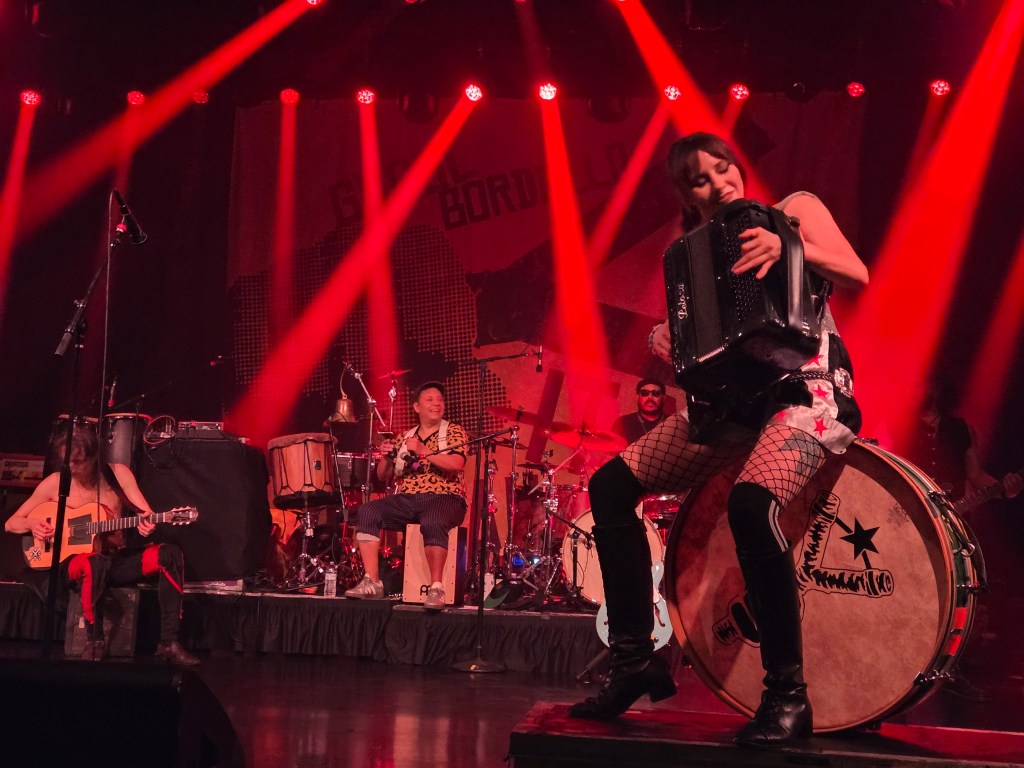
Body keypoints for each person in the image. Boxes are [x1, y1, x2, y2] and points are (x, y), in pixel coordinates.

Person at [568, 132, 869, 748]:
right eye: (702, 180)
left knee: (750, 506)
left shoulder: (795, 209)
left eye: (724, 169)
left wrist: (788, 242)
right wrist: (667, 339)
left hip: (807, 391)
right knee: (610, 483)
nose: (720, 184)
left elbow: (856, 271)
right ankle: (633, 661)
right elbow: (704, 352)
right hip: (735, 409)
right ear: (689, 195)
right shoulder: (693, 256)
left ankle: (788, 696)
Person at [4, 426, 198, 664]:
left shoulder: (118, 475)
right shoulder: (56, 482)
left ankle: (169, 642)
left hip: (113, 558)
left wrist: (148, 523)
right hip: (74, 564)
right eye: (68, 462)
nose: (72, 468)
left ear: (94, 457)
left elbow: (144, 512)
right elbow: (11, 524)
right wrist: (33, 523)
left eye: (78, 462)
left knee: (169, 554)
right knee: (93, 562)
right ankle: (94, 641)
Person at [905, 375, 1022, 700]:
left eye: (924, 383)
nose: (916, 388)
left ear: (937, 386)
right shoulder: (900, 421)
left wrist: (1006, 488)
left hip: (955, 523)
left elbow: (975, 476)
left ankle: (949, 672)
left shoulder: (960, 429)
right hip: (914, 521)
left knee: (953, 596)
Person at [344, 381, 467, 610]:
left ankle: (436, 588)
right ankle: (373, 581)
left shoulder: (454, 431)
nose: (437, 403)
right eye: (430, 399)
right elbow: (382, 476)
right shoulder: (404, 437)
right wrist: (387, 457)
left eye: (440, 399)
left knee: (433, 520)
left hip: (445, 496)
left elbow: (456, 464)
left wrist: (424, 451)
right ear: (417, 407)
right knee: (368, 511)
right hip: (408, 498)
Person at [610, 378, 669, 444]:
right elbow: (611, 451)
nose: (650, 397)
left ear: (663, 398)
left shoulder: (674, 425)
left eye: (655, 393)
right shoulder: (622, 423)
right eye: (644, 393)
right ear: (637, 397)